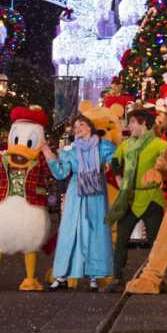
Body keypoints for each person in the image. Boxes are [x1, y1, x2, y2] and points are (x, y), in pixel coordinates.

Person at [43, 113, 116, 291]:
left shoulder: (104, 147)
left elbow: (115, 161)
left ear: (90, 127)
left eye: (82, 125)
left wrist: (112, 163)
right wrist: (49, 155)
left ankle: (94, 275)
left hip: (96, 195)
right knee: (70, 232)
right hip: (76, 193)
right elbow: (61, 173)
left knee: (95, 231)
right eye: (76, 128)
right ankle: (61, 276)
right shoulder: (71, 151)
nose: (78, 130)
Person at [105, 109, 167, 292]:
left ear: (145, 124)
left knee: (156, 241)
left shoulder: (159, 145)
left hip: (151, 198)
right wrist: (118, 179)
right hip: (130, 198)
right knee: (121, 238)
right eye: (129, 122)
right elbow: (115, 162)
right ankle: (117, 277)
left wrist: (160, 173)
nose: (129, 126)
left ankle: (157, 278)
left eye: (133, 122)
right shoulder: (126, 145)